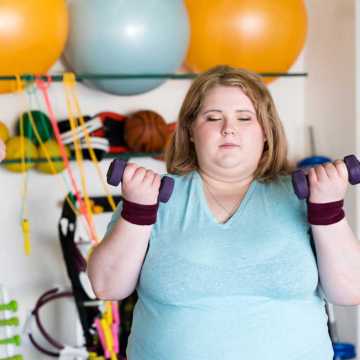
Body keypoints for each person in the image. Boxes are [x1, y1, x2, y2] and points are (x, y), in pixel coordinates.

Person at [87, 65, 360, 360]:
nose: (228, 127)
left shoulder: (303, 197)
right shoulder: (152, 197)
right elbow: (106, 286)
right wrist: (137, 212)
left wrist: (328, 209)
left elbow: (349, 291)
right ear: (190, 131)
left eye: (244, 118)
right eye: (213, 117)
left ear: (266, 132)